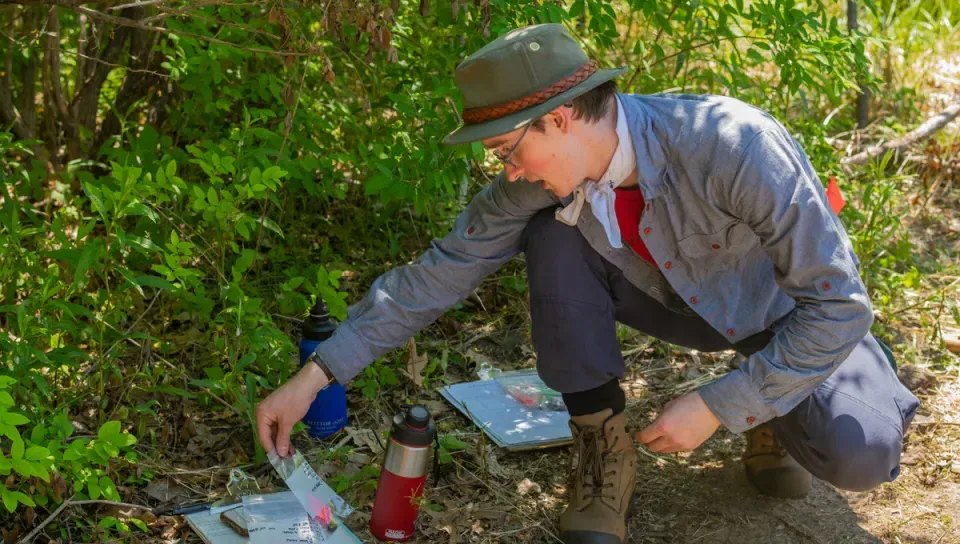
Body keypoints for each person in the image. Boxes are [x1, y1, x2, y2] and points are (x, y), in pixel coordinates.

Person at [256, 24, 920, 543]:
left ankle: (777, 406)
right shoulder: (534, 184)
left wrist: (722, 403)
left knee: (859, 452)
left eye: (509, 150)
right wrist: (317, 375)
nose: (509, 173)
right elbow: (437, 273)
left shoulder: (731, 144)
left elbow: (837, 303)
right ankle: (602, 446)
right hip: (673, 307)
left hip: (781, 314)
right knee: (552, 233)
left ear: (563, 116)